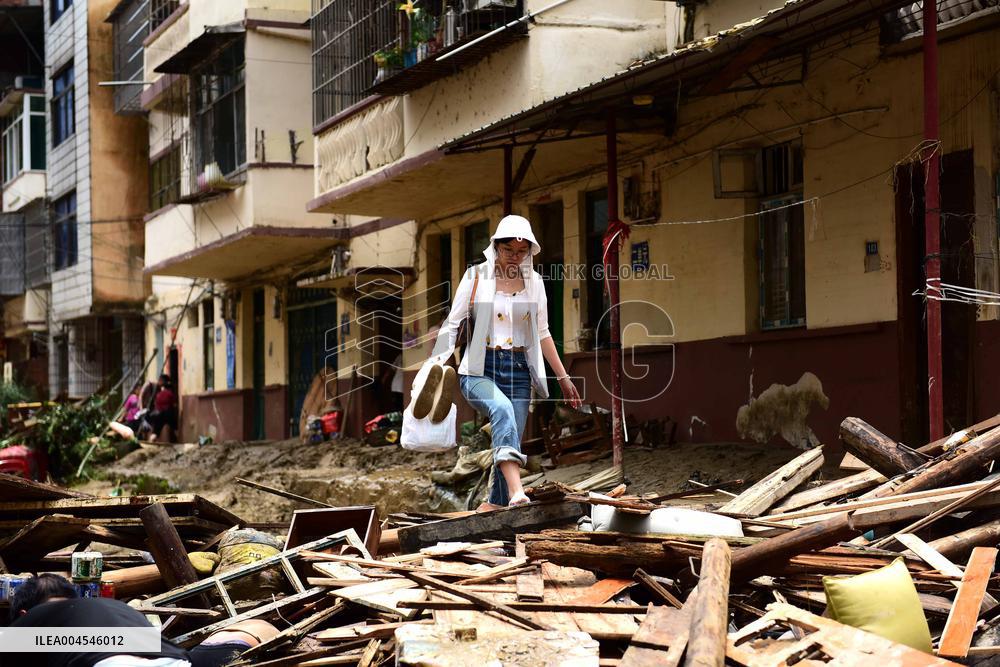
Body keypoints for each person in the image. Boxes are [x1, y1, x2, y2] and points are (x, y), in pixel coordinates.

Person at [430, 214, 581, 511]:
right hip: (478, 369)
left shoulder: (534, 283)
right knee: (502, 411)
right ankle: (517, 491)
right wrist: (431, 368)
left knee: (508, 435)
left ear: (530, 251)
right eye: (508, 250)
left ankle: (494, 508)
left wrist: (563, 377)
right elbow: (452, 324)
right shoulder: (476, 277)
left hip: (519, 371)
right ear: (495, 247)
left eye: (521, 251)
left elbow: (542, 332)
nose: (514, 257)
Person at [6, 573, 278, 667]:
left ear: (24, 614)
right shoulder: (114, 608)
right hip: (184, 663)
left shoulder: (30, 627)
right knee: (257, 627)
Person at [148, 375, 178, 443]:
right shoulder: (170, 393)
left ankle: (151, 442)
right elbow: (174, 405)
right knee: (175, 427)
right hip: (168, 413)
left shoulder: (158, 395)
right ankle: (179, 440)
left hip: (159, 414)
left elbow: (156, 405)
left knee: (156, 431)